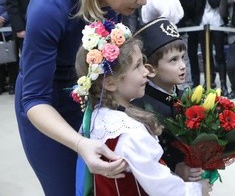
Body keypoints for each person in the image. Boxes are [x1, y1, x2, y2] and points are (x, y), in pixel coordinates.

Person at [15, 0, 158, 195]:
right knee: (66, 188)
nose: (144, 0)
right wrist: (80, 143)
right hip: (46, 105)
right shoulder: (49, 7)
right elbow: (33, 98)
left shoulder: (115, 4)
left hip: (92, 100)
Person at [74, 25, 210, 195]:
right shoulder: (131, 133)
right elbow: (166, 190)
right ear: (110, 83)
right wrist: (198, 189)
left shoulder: (97, 117)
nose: (146, 71)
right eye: (137, 66)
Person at [132, 17, 204, 182]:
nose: (182, 65)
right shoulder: (141, 106)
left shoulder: (184, 97)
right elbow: (147, 156)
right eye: (173, 60)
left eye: (182, 57)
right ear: (150, 70)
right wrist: (175, 165)